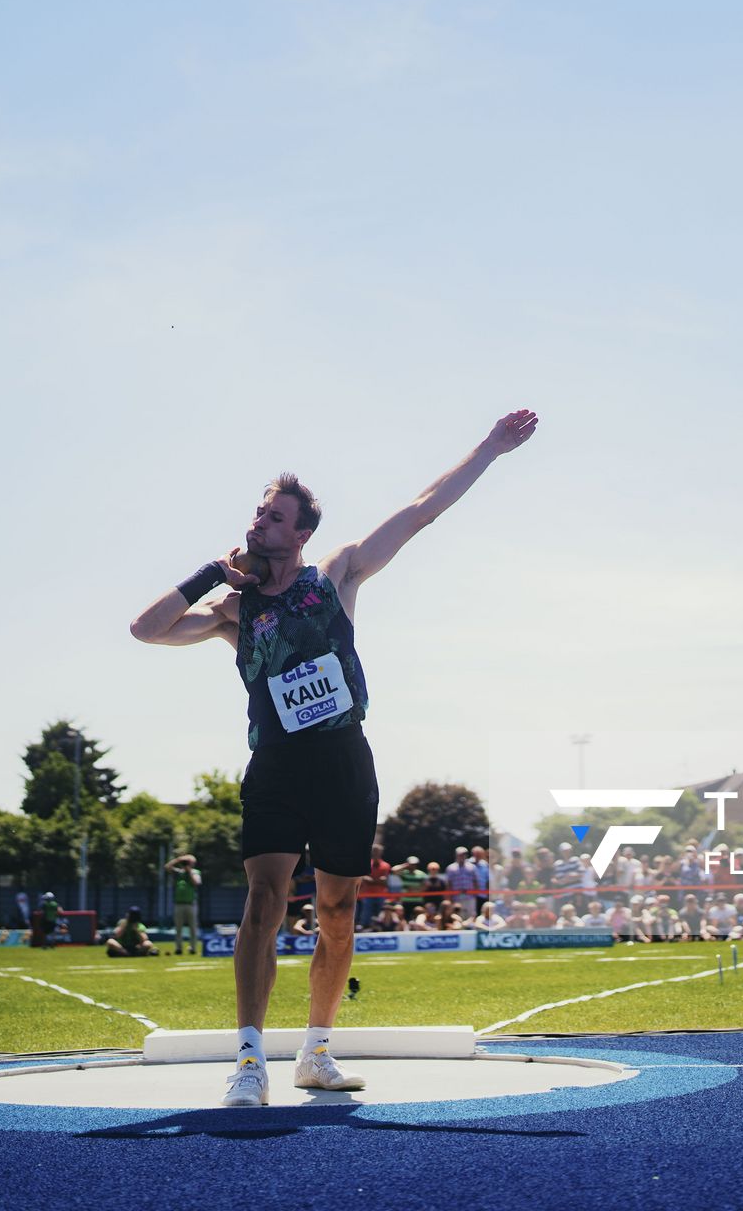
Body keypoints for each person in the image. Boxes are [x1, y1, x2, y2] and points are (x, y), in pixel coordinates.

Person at [129, 409, 539, 1106]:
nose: (259, 524)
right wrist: (210, 575)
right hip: (277, 767)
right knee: (264, 901)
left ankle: (317, 1049)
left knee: (339, 909)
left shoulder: (337, 574)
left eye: (274, 517)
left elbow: (420, 513)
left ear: (302, 532)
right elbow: (147, 629)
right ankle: (250, 1060)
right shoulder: (237, 609)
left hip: (344, 761)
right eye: (257, 514)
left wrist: (491, 449)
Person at [167, 855, 202, 955]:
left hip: (191, 904)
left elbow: (197, 882)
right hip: (179, 904)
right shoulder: (179, 872)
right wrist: (178, 859)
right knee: (178, 927)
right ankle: (178, 948)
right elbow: (167, 867)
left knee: (193, 927)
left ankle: (193, 948)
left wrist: (189, 870)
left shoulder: (195, 872)